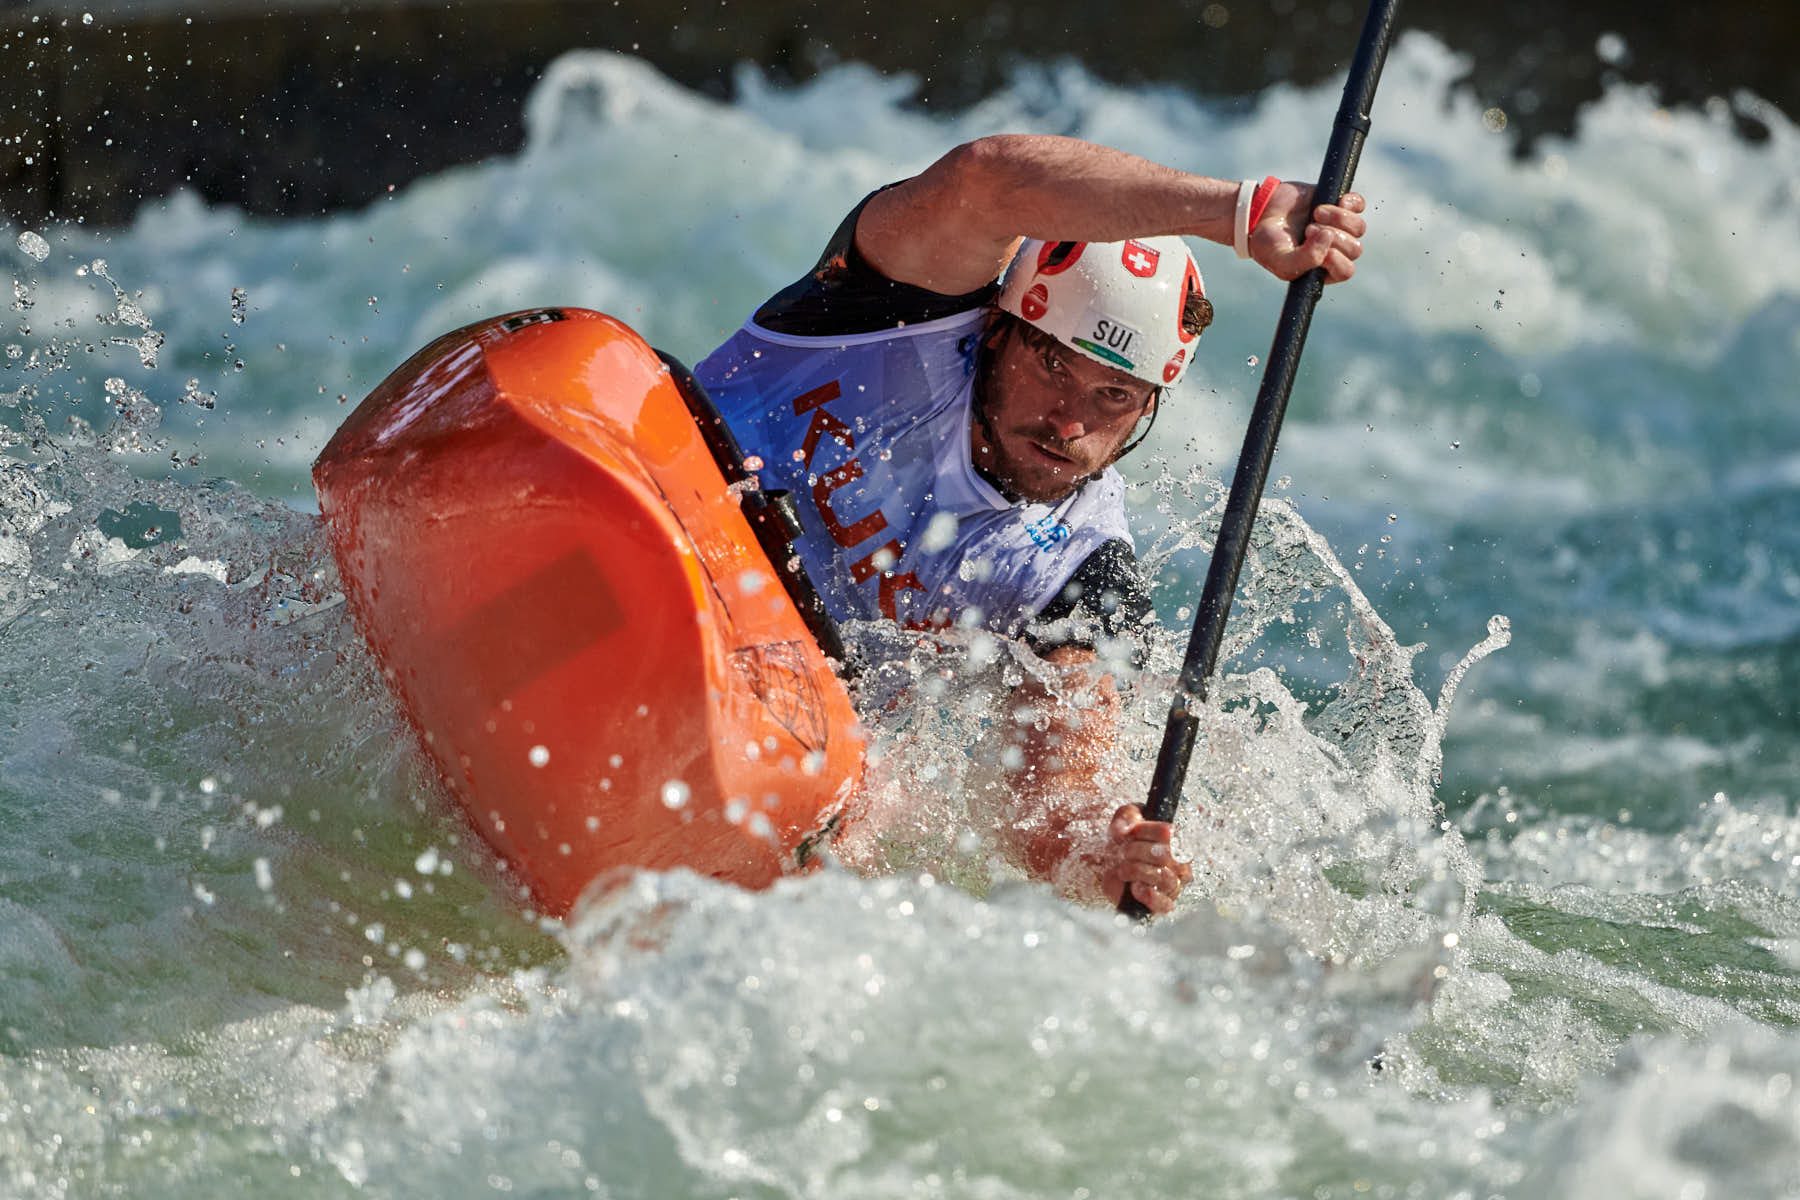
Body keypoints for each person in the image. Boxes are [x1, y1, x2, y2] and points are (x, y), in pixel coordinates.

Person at [695, 134, 1367, 915]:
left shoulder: (1079, 575)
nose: (1069, 423)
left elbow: (1056, 795)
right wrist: (1235, 210)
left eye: (1113, 397)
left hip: (770, 716)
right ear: (998, 330)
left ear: (1147, 410)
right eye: (1052, 364)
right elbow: (986, 179)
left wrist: (1103, 849)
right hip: (664, 516)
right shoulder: (894, 308)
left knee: (872, 812)